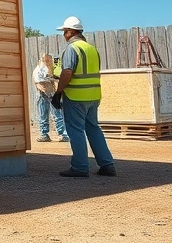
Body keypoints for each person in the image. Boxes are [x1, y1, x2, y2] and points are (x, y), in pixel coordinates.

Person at [51, 16, 117, 177]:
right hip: (93, 96)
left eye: (65, 31)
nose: (64, 34)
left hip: (75, 96)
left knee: (76, 131)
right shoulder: (91, 49)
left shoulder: (72, 49)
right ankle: (107, 165)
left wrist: (58, 92)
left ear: (71, 32)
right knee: (93, 129)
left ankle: (80, 167)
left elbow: (67, 72)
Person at [32, 53, 68, 142]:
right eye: (45, 59)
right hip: (42, 94)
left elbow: (56, 78)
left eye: (48, 59)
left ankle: (62, 134)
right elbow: (37, 80)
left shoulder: (53, 68)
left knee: (57, 114)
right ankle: (44, 134)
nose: (47, 61)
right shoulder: (38, 69)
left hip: (51, 93)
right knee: (43, 115)